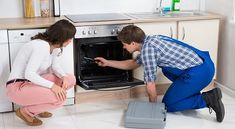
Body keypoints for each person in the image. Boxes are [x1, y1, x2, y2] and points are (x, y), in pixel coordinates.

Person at [95, 25, 225, 122]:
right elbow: (133, 63)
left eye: (124, 44)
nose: (123, 47)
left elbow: (150, 84)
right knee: (166, 69)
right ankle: (190, 94)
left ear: (133, 43)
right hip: (205, 66)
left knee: (169, 105)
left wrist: (154, 110)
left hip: (200, 73)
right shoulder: (151, 40)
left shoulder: (148, 51)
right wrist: (107, 62)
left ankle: (207, 99)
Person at [6, 19, 76, 126]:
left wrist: (63, 76)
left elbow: (55, 66)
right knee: (60, 99)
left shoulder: (55, 47)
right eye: (69, 38)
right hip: (17, 88)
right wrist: (53, 86)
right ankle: (26, 112)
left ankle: (40, 105)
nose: (71, 40)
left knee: (70, 78)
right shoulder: (41, 46)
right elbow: (29, 74)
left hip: (29, 84)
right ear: (62, 37)